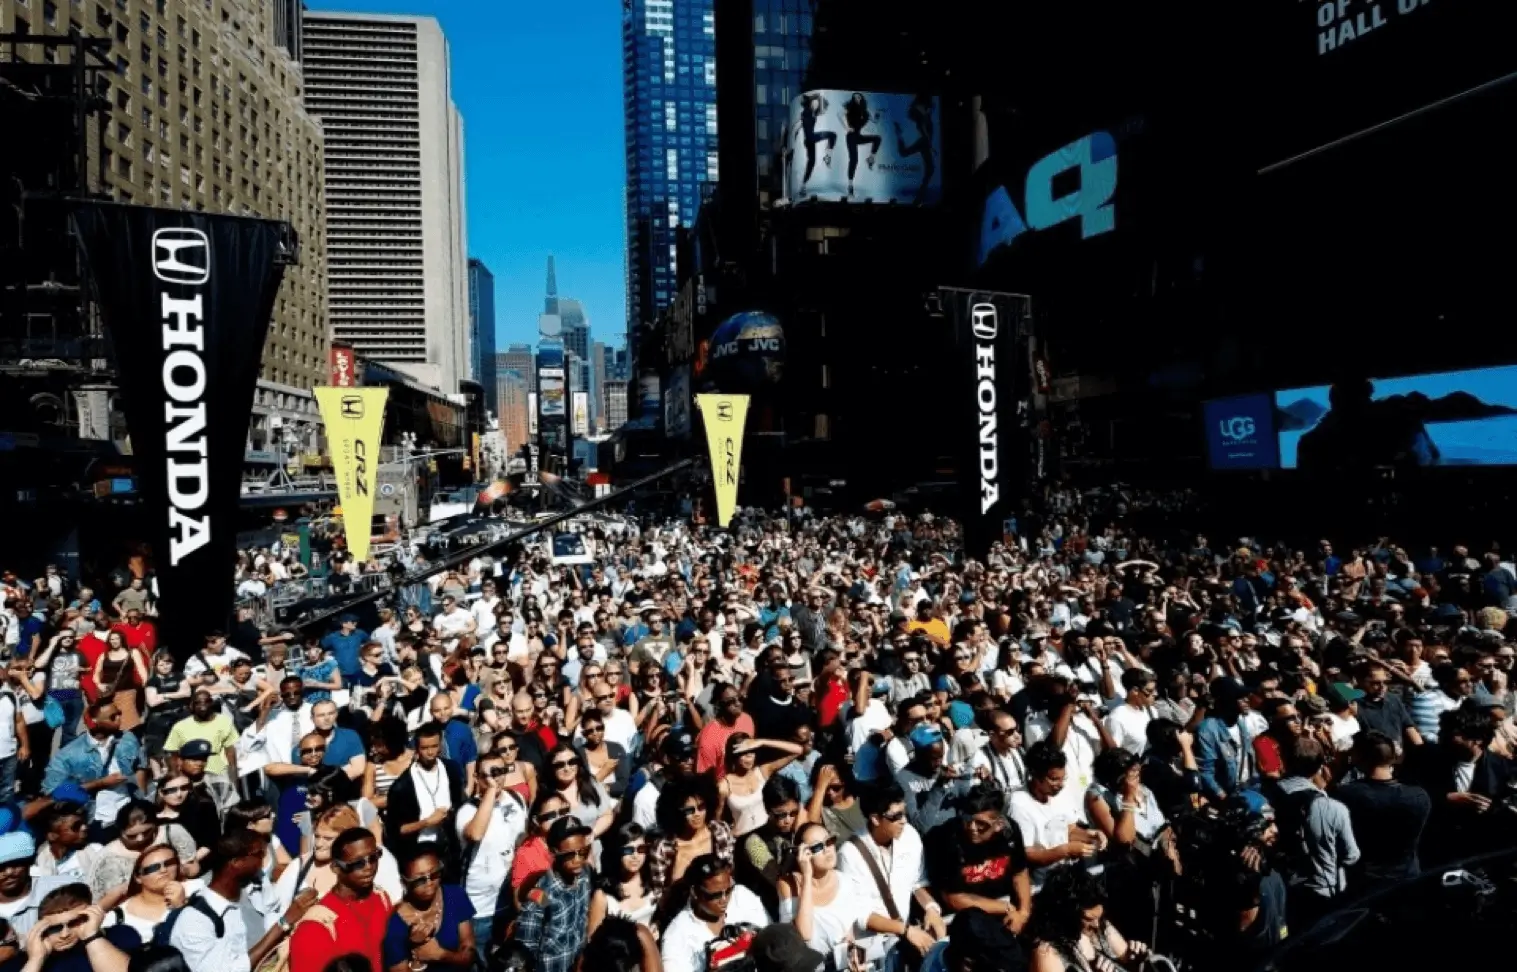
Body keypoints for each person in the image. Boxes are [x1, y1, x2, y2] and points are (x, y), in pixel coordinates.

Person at [169, 829, 316, 972]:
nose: (263, 861)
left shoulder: (256, 886)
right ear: (236, 862)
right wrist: (284, 923)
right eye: (259, 854)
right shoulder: (196, 919)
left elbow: (272, 915)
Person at [834, 782, 942, 964]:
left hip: (906, 938)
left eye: (904, 812)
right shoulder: (849, 854)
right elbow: (860, 915)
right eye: (896, 816)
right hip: (872, 948)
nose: (904, 820)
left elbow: (918, 882)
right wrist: (905, 930)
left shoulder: (910, 836)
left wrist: (931, 909)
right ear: (875, 819)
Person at [1274, 735, 1359, 931]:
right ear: (1320, 766)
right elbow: (1351, 855)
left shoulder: (1267, 794)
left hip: (1284, 888)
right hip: (1322, 891)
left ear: (1285, 761)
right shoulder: (1333, 808)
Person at [1334, 730, 1430, 893]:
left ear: (1358, 756)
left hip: (1366, 884)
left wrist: (1339, 767)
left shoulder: (1349, 795)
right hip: (1409, 878)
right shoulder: (1418, 796)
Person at [455, 752, 529, 958]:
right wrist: (489, 791)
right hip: (480, 908)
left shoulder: (517, 800)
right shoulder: (467, 810)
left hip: (510, 899)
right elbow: (475, 833)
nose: (496, 777)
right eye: (490, 773)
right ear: (478, 777)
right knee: (481, 960)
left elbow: (522, 840)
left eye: (500, 771)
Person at [288, 829, 392, 972]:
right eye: (357, 863)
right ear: (336, 868)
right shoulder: (315, 926)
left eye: (374, 857)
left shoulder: (381, 897)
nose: (369, 867)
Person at [777, 822, 879, 962]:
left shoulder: (845, 881)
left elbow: (851, 933)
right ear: (803, 854)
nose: (827, 849)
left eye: (829, 841)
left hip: (844, 962)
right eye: (818, 846)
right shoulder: (789, 884)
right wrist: (807, 875)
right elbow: (804, 934)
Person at [1008, 742, 1100, 890]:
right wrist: (1066, 851)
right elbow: (1027, 854)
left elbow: (1069, 830)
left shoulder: (1061, 793)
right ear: (1035, 776)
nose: (1060, 784)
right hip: (1042, 886)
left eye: (1062, 778)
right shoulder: (1019, 804)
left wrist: (1090, 836)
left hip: (1070, 876)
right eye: (1054, 779)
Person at [659, 854, 769, 972]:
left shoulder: (742, 895)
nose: (724, 899)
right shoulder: (676, 936)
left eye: (728, 890)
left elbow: (772, 939)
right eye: (715, 895)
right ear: (695, 893)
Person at [1027, 867, 1149, 972]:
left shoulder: (1099, 925)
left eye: (1099, 917)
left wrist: (1136, 957)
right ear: (1067, 915)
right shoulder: (1046, 953)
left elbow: (1126, 958)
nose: (1096, 924)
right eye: (1088, 919)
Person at [516, 818, 598, 972]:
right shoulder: (541, 894)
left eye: (583, 852)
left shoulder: (585, 875)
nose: (578, 859)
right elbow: (526, 947)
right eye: (569, 855)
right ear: (554, 852)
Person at [383, 722, 466, 865]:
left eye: (434, 746)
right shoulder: (403, 786)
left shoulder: (451, 769)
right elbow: (396, 830)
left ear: (440, 745)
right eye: (425, 748)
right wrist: (426, 822)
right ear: (416, 749)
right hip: (418, 853)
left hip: (450, 849)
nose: (430, 752)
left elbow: (460, 802)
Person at [380, 849, 475, 972]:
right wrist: (417, 958)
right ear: (404, 882)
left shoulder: (455, 895)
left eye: (434, 874)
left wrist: (440, 954)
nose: (429, 883)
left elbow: (469, 954)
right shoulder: (395, 925)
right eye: (420, 880)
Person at [649, 774, 734, 900]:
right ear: (676, 812)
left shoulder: (719, 831)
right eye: (689, 810)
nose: (697, 814)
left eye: (701, 807)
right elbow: (659, 897)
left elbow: (730, 873)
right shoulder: (662, 848)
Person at [736, 776, 805, 913]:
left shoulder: (801, 829)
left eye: (793, 813)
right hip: (774, 908)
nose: (788, 820)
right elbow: (779, 880)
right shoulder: (754, 842)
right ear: (768, 810)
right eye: (781, 815)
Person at [718, 732, 804, 838]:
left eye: (752, 751)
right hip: (742, 837)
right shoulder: (724, 785)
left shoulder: (762, 771)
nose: (749, 756)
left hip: (769, 835)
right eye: (743, 752)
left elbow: (798, 750)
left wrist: (762, 742)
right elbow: (718, 820)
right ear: (734, 756)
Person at [542, 743, 614, 841]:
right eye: (560, 765)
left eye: (572, 762)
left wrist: (591, 835)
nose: (567, 768)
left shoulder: (591, 783)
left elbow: (606, 815)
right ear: (551, 768)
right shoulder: (547, 798)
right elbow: (546, 831)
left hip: (594, 848)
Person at [593, 823, 658, 929]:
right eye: (628, 850)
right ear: (617, 852)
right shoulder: (602, 896)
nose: (635, 856)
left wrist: (656, 926)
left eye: (641, 849)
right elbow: (593, 939)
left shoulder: (652, 881)